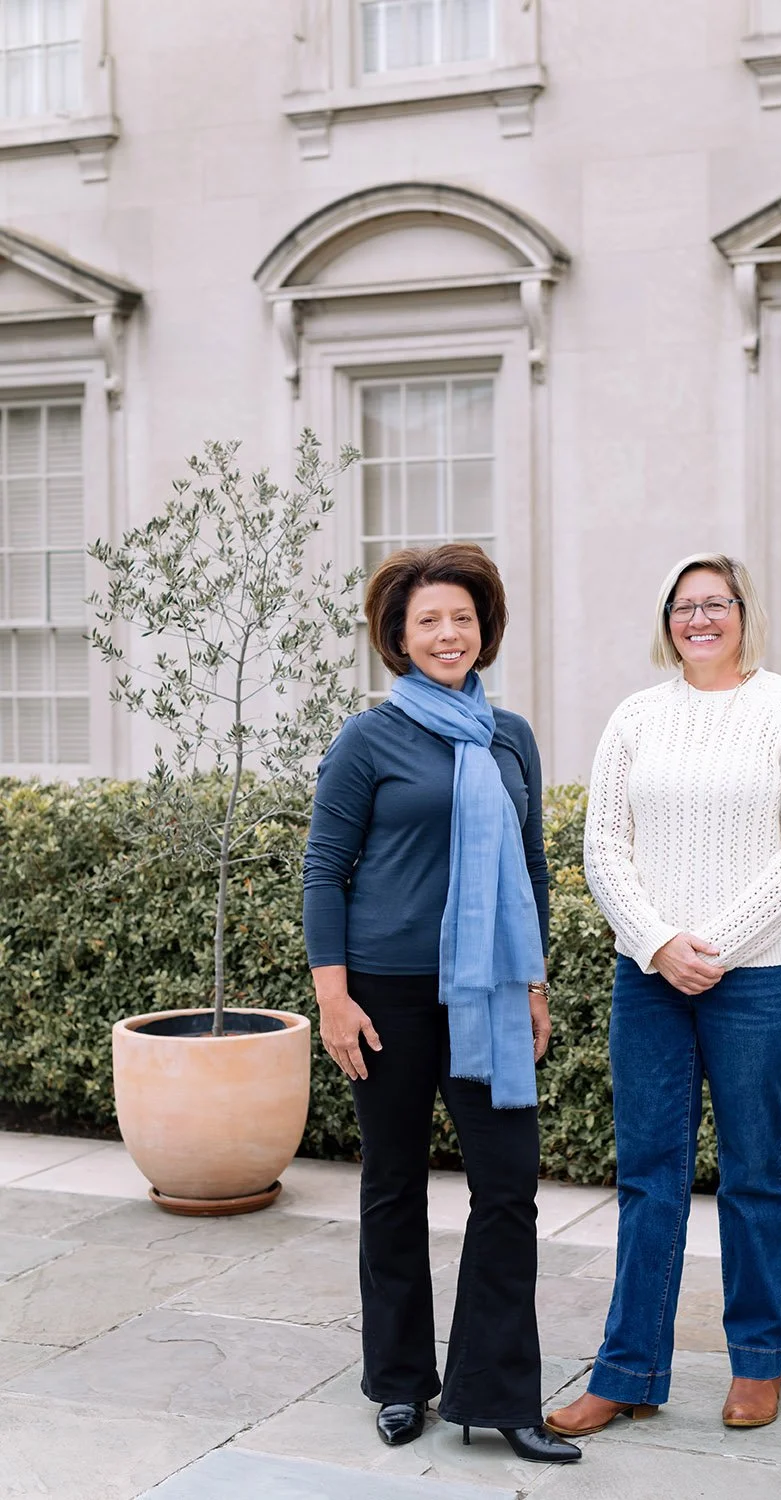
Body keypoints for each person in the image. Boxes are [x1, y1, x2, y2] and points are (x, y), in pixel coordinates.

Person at [547, 552, 781, 1437]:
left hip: (762, 980)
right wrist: (659, 944)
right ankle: (628, 1370)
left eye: (716, 603)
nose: (700, 619)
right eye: (684, 605)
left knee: (753, 1173)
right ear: (666, 619)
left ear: (744, 613)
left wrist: (712, 948)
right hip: (650, 981)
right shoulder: (636, 717)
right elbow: (605, 846)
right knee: (648, 1176)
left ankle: (758, 1364)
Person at [303, 543, 580, 1466]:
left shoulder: (510, 737)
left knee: (508, 1187)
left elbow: (532, 869)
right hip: (386, 994)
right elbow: (324, 872)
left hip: (490, 991)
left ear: (483, 629)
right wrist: (334, 999)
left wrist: (533, 984)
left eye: (462, 617)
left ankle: (499, 1396)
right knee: (392, 1183)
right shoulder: (367, 739)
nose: (448, 633)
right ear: (400, 635)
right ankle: (398, 1382)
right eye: (429, 620)